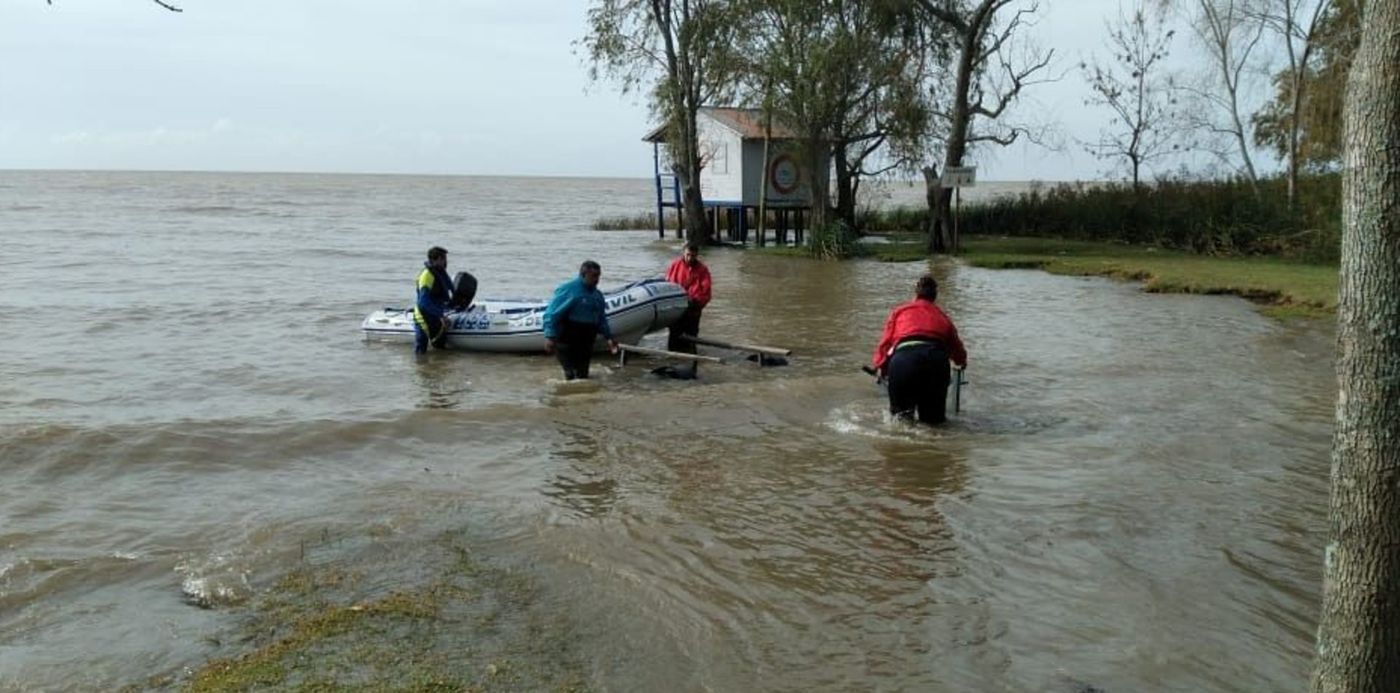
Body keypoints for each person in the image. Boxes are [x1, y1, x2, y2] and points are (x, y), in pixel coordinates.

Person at [871, 274, 968, 424]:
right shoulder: (943, 316)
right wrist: (961, 362)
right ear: (934, 296)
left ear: (916, 294)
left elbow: (885, 344)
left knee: (901, 422)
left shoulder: (900, 312)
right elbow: (957, 350)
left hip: (904, 362)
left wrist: (880, 366)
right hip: (936, 363)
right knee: (933, 425)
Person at [543, 260, 619, 380]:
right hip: (567, 337)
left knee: (583, 376)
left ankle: (583, 397)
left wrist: (609, 337)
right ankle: (565, 397)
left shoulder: (597, 295)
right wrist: (549, 336)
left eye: (599, 276)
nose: (597, 280)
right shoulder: (569, 290)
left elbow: (601, 318)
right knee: (570, 375)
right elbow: (552, 314)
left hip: (587, 339)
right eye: (594, 276)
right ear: (583, 275)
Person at [664, 242, 713, 354]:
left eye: (693, 255)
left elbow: (706, 292)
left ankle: (691, 363)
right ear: (684, 253)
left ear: (697, 255)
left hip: (693, 311)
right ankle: (672, 362)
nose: (690, 258)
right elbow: (666, 286)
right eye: (688, 255)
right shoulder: (674, 266)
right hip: (676, 311)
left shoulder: (703, 270)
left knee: (691, 341)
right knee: (674, 341)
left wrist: (695, 302)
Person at [414, 246, 455, 355]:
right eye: (443, 259)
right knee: (421, 350)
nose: (446, 262)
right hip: (423, 315)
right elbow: (423, 302)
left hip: (437, 314)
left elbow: (451, 289)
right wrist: (440, 316)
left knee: (441, 348)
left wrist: (457, 304)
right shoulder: (427, 276)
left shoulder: (441, 272)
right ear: (435, 260)